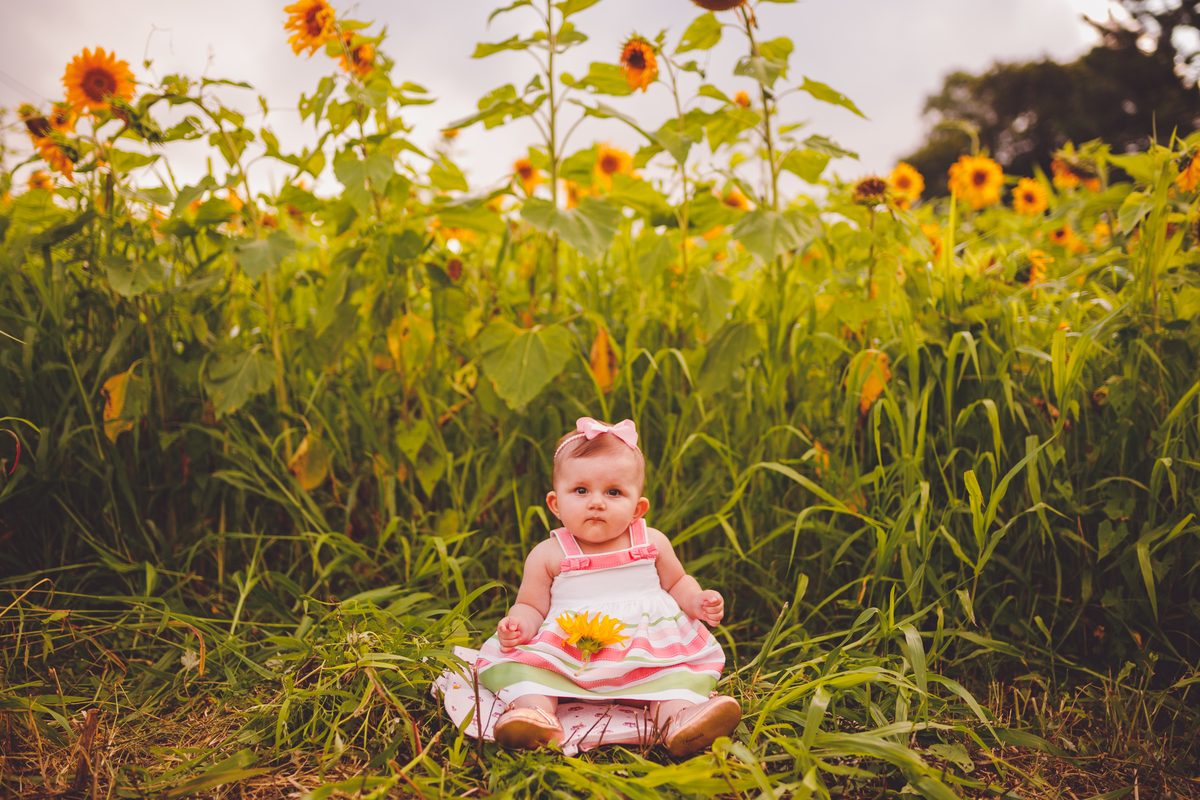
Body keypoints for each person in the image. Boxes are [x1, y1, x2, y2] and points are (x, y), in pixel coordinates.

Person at [475, 417, 741, 756]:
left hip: (646, 649)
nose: (597, 502)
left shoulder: (651, 541)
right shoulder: (548, 554)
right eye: (581, 490)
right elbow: (531, 605)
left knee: (673, 679)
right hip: (571, 650)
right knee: (528, 671)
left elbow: (677, 582)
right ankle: (535, 714)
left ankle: (680, 721)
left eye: (614, 492)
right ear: (556, 504)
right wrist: (520, 625)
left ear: (637, 508)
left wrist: (697, 600)